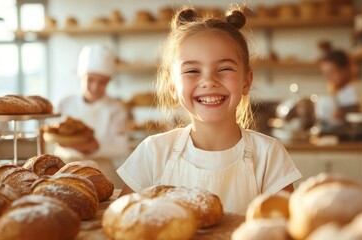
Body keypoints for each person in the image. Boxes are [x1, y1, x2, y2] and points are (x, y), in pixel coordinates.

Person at [116, 6, 302, 215]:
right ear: (172, 87)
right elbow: (121, 223)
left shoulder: (269, 155)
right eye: (192, 71)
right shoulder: (154, 152)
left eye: (224, 69)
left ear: (246, 81)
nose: (208, 81)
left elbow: (286, 228)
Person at [55, 44, 129, 187]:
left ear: (108, 82)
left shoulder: (116, 108)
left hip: (101, 172)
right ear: (81, 76)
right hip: (64, 169)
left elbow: (121, 146)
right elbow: (53, 135)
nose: (95, 86)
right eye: (90, 80)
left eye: (101, 82)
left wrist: (90, 146)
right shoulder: (64, 103)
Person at [318, 49, 362, 134]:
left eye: (330, 72)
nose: (326, 77)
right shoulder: (339, 92)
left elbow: (348, 126)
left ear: (345, 70)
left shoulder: (352, 92)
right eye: (324, 73)